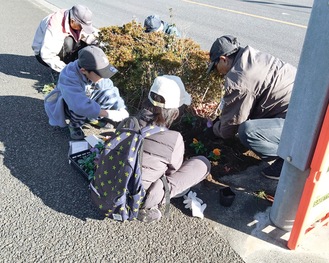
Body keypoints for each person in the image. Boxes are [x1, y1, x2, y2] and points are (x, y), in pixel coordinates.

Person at [206, 35, 297, 180]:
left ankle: (287, 161)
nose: (217, 71)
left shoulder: (240, 79)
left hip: (301, 123)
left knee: (247, 131)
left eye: (215, 66)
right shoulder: (249, 57)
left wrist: (215, 128)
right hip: (303, 106)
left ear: (223, 59)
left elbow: (230, 127)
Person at [136, 75, 211, 222]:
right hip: (140, 195)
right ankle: (149, 204)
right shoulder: (173, 138)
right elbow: (172, 171)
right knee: (203, 163)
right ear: (175, 112)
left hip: (113, 184)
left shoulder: (128, 122)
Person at [44, 45, 129, 140]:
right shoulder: (69, 76)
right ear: (83, 71)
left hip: (87, 97)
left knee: (110, 94)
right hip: (68, 104)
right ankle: (74, 125)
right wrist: (107, 114)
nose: (103, 78)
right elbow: (78, 105)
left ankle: (91, 118)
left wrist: (121, 107)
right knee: (81, 107)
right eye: (100, 75)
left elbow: (110, 88)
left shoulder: (94, 70)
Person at [32, 5, 99, 81]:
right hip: (43, 53)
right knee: (68, 42)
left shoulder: (75, 18)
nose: (82, 29)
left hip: (61, 46)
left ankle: (76, 66)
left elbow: (90, 36)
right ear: (72, 21)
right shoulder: (55, 26)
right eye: (81, 27)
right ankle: (59, 72)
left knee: (88, 45)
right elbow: (47, 55)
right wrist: (67, 70)